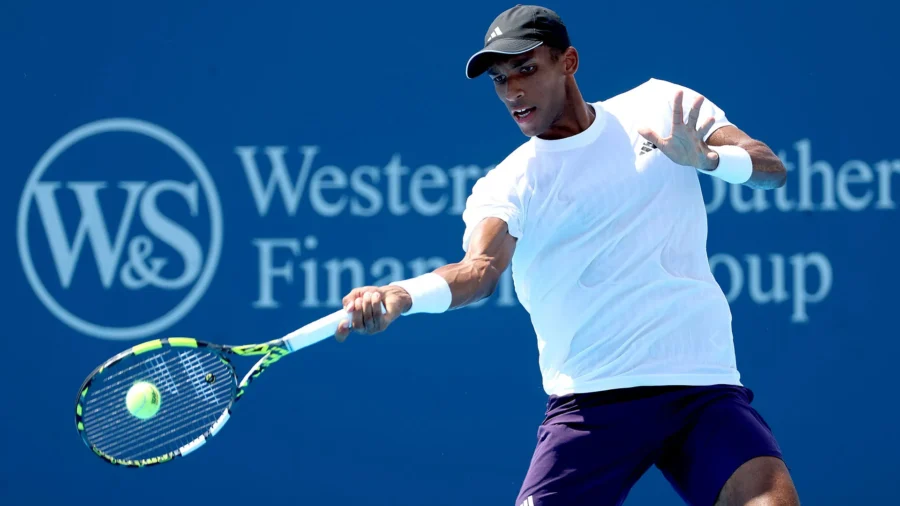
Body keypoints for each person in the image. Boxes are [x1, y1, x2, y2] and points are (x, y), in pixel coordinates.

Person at [334, 4, 800, 506]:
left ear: (569, 62)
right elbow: (478, 271)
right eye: (500, 79)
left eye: (527, 70)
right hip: (591, 404)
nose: (513, 92)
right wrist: (401, 294)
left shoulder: (660, 105)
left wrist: (710, 159)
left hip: (700, 388)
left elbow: (771, 168)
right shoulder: (510, 183)